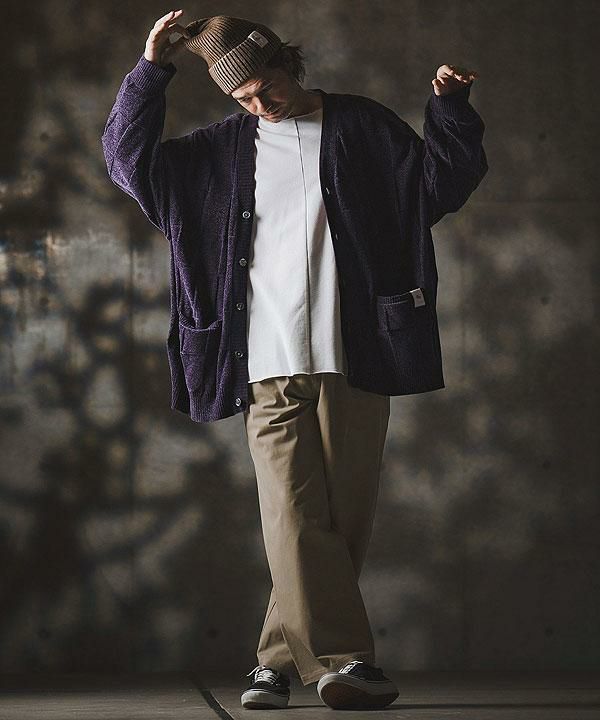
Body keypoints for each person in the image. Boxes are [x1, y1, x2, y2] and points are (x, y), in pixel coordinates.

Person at [101, 9, 488, 711]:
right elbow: (127, 161)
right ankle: (346, 662)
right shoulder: (214, 155)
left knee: (339, 520)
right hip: (263, 362)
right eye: (241, 97)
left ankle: (275, 664)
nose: (260, 104)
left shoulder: (362, 127)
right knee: (290, 512)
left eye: (266, 86)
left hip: (358, 354)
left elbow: (442, 183)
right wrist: (150, 71)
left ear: (287, 62)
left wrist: (451, 110)